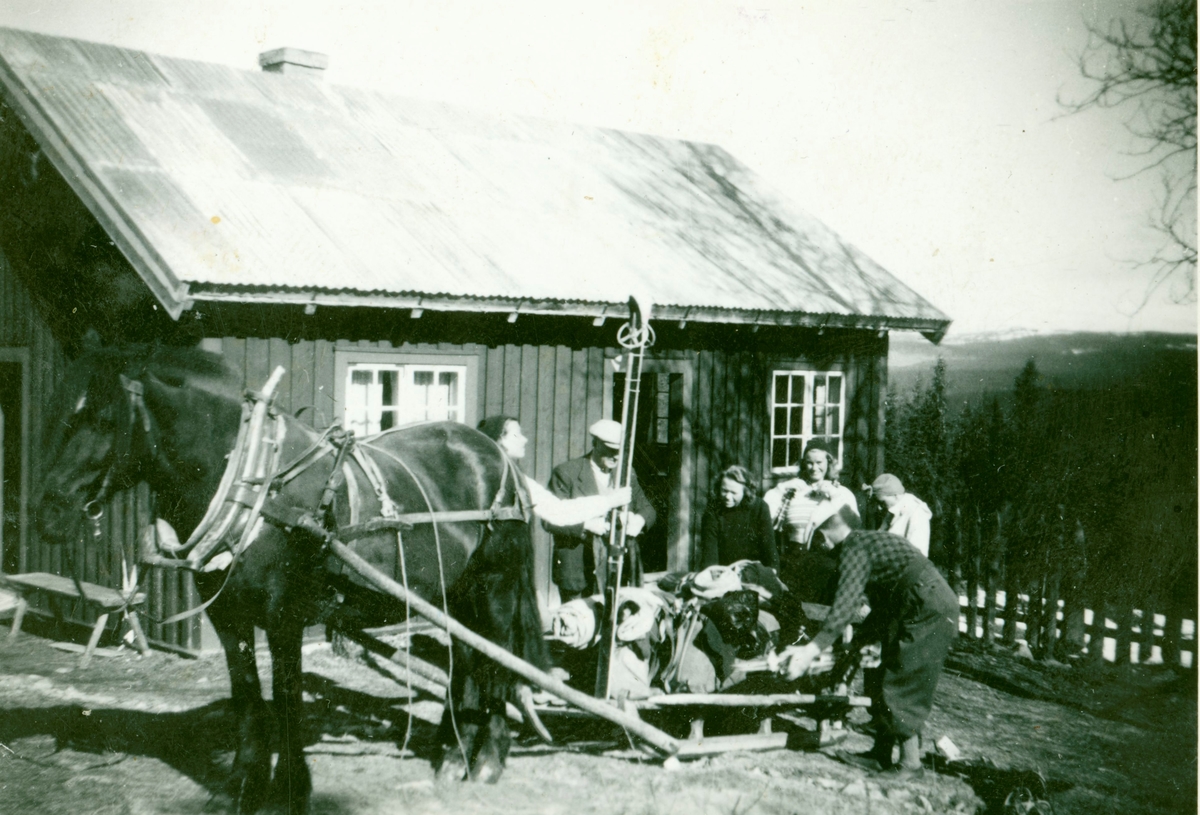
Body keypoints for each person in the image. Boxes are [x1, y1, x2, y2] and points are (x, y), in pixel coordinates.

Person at [776, 503, 959, 778]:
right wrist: (857, 643)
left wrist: (810, 651)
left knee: (901, 680)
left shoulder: (854, 548)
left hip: (927, 607)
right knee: (878, 673)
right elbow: (885, 601)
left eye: (819, 541)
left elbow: (844, 608)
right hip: (913, 602)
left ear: (824, 537)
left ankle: (911, 764)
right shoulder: (867, 542)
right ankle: (880, 754)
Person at [543, 419, 656, 602]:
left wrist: (639, 520)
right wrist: (586, 525)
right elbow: (548, 519)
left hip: (615, 569)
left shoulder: (627, 474)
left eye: (620, 451)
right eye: (610, 450)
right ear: (594, 443)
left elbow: (647, 508)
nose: (616, 457)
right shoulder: (567, 473)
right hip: (578, 571)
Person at [476, 415, 631, 528]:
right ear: (497, 440)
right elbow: (558, 512)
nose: (525, 439)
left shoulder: (516, 477)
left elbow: (558, 510)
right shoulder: (495, 477)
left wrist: (608, 502)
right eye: (516, 434)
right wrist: (609, 501)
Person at [761, 441, 858, 602]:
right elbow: (765, 514)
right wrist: (781, 489)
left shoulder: (840, 492)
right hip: (792, 558)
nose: (814, 468)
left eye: (819, 462)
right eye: (809, 463)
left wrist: (834, 496)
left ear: (829, 462)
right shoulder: (792, 490)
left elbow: (853, 525)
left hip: (826, 561)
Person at [699, 465, 777, 570]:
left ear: (746, 491)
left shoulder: (760, 508)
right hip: (724, 572)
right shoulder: (713, 510)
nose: (727, 497)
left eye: (733, 492)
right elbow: (709, 554)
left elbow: (769, 549)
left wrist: (773, 574)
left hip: (755, 571)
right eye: (724, 490)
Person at [867, 473, 932, 557]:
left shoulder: (916, 513)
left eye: (882, 502)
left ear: (896, 495)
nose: (879, 507)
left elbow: (917, 555)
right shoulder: (893, 509)